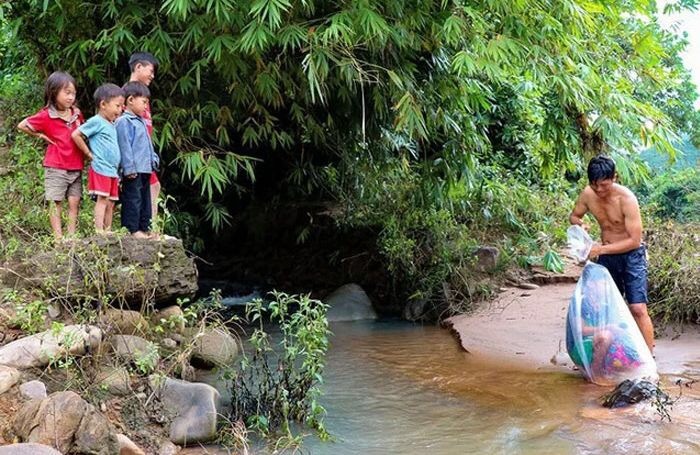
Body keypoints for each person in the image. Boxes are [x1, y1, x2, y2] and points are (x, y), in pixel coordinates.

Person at [569, 155, 654, 353]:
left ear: (614, 177)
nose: (599, 190)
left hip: (632, 257)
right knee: (606, 308)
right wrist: (580, 224)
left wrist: (600, 250)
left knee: (638, 308)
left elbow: (634, 240)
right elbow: (574, 215)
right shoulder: (588, 194)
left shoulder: (627, 199)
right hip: (607, 258)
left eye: (604, 185)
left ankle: (649, 357)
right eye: (595, 185)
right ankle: (607, 354)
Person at [17, 71, 84, 240]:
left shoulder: (76, 113)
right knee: (56, 202)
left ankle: (71, 237)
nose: (71, 97)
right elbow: (23, 125)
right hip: (56, 166)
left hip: (76, 165)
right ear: (54, 92)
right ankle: (58, 239)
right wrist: (40, 135)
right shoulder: (46, 115)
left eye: (73, 93)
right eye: (67, 92)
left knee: (74, 202)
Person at [71, 84, 125, 234]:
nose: (120, 110)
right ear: (103, 104)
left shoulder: (111, 124)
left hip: (112, 170)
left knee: (111, 201)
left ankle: (108, 230)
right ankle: (99, 230)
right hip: (101, 167)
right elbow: (76, 134)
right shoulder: (96, 121)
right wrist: (88, 153)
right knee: (102, 199)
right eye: (117, 106)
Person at [115, 81, 159, 239]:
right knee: (133, 199)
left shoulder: (140, 121)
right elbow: (124, 146)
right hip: (133, 169)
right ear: (131, 100)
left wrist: (153, 159)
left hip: (145, 168)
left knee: (145, 200)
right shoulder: (123, 121)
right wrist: (129, 168)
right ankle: (132, 229)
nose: (146, 107)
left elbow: (148, 144)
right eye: (144, 102)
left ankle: (144, 228)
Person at [127, 52, 160, 224]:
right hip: (135, 155)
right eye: (151, 71)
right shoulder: (126, 95)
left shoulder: (142, 95)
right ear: (138, 67)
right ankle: (146, 228)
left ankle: (149, 227)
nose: (152, 76)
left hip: (145, 153)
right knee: (146, 189)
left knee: (153, 186)